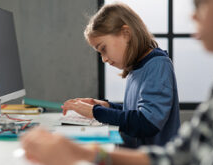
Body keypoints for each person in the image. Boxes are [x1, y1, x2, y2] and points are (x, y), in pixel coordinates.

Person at [21, 0, 213, 165]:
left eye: (201, 3)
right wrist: (85, 153)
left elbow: (147, 122)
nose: (192, 14)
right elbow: (175, 156)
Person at [61, 3, 180, 148]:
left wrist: (96, 112)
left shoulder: (157, 65)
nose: (103, 59)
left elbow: (146, 123)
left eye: (103, 49)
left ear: (126, 34)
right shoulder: (137, 68)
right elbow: (133, 112)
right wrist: (106, 106)